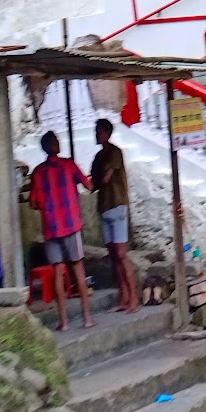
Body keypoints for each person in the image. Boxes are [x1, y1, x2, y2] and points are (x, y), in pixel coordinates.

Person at [29, 130, 94, 330]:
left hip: (52, 228)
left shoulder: (38, 172)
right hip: (71, 224)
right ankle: (87, 318)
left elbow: (33, 203)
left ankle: (64, 322)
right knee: (78, 270)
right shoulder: (68, 165)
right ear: (56, 145)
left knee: (58, 273)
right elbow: (89, 185)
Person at [90, 118, 139, 313]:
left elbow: (103, 178)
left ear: (107, 133)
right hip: (104, 206)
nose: (97, 134)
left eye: (100, 131)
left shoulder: (114, 152)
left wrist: (92, 181)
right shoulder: (97, 157)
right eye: (96, 131)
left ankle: (133, 297)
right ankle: (123, 296)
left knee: (121, 254)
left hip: (117, 205)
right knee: (113, 256)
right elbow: (94, 182)